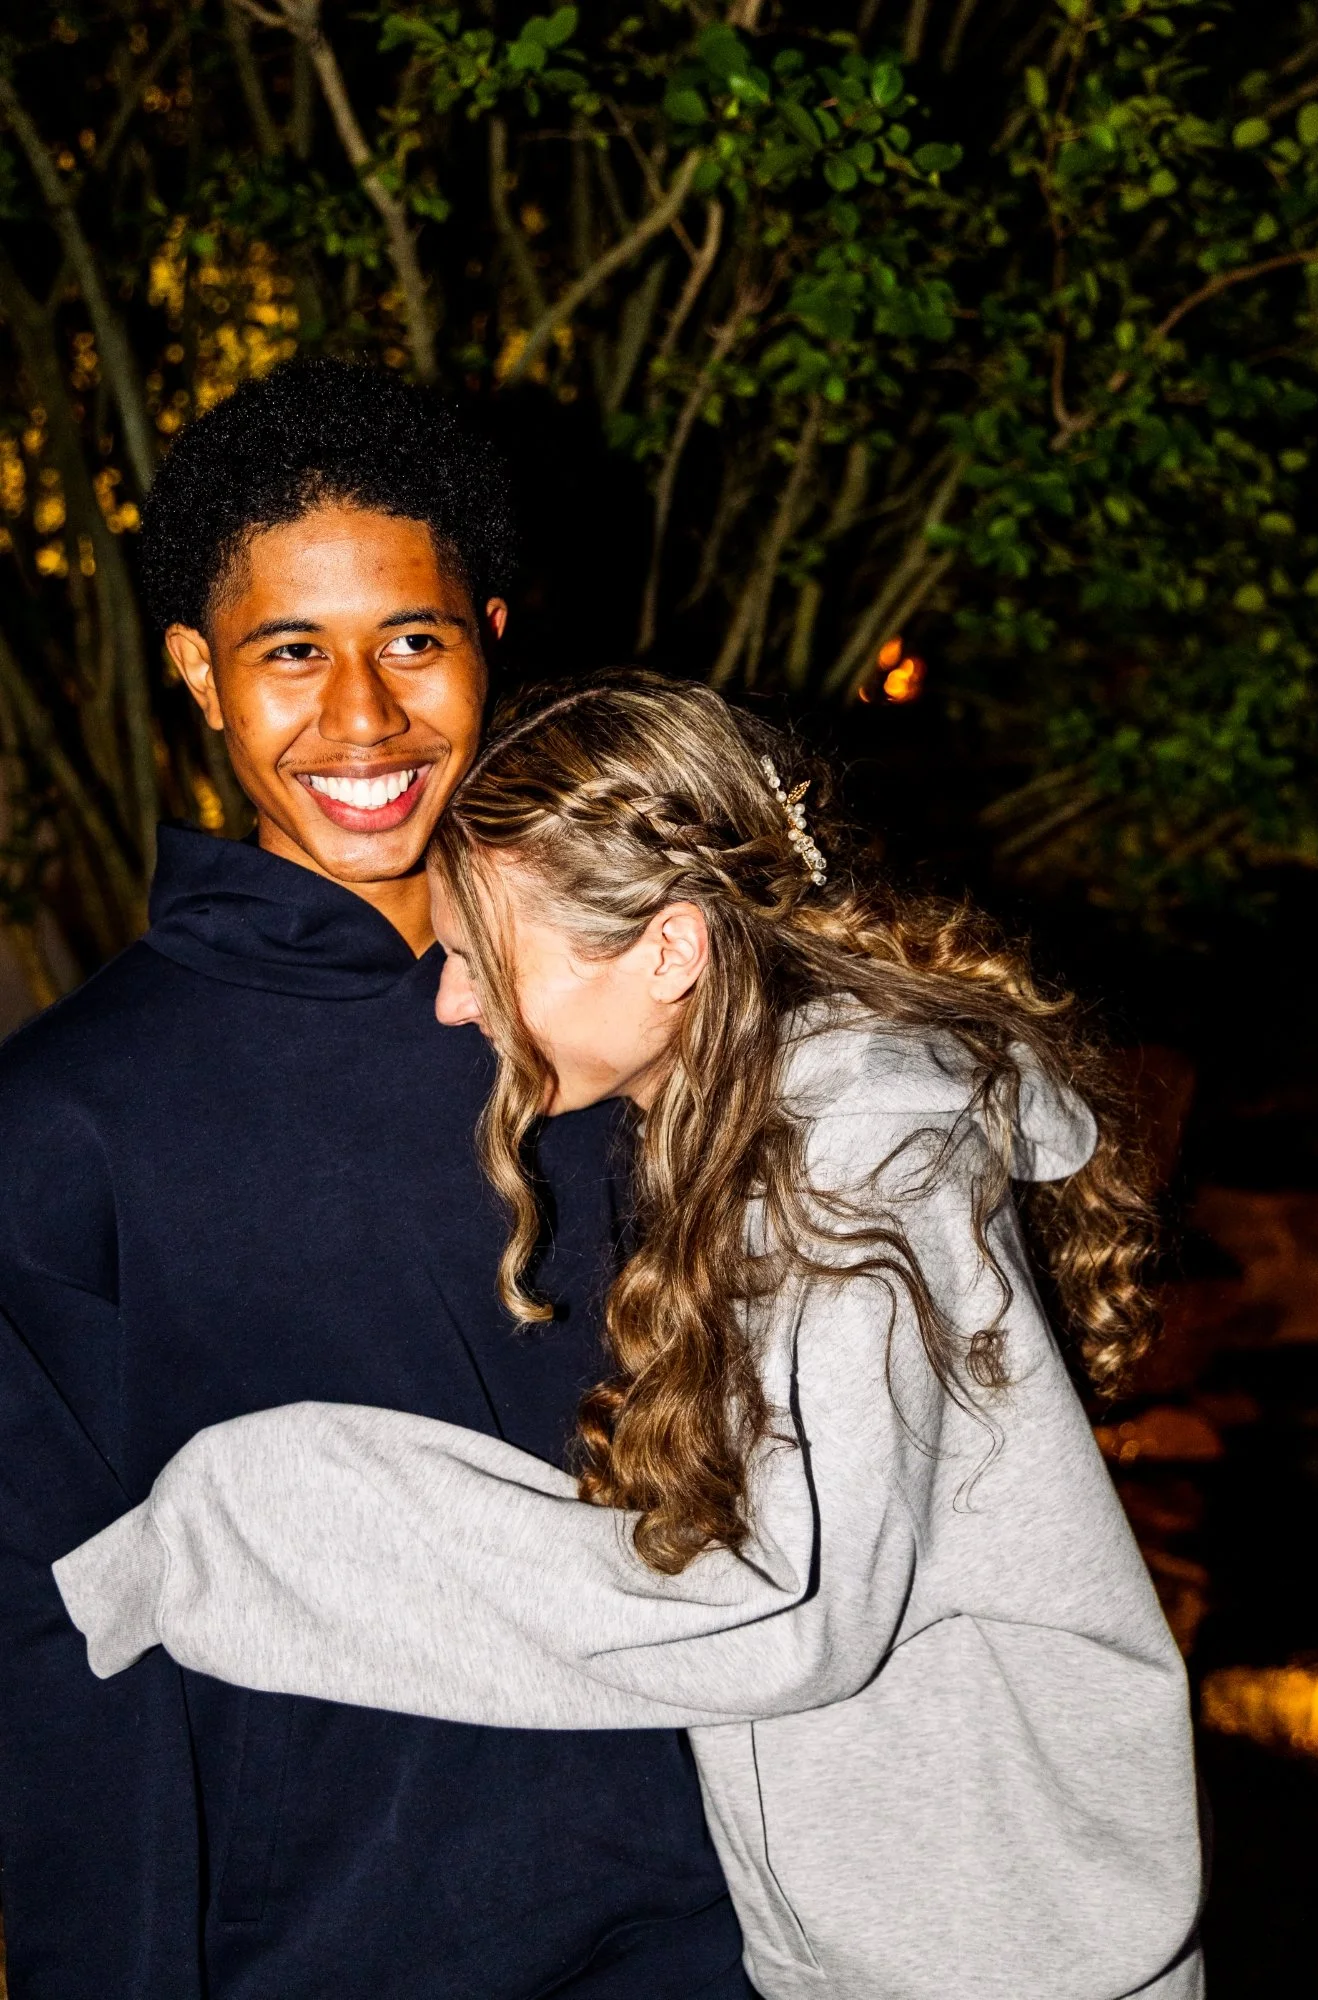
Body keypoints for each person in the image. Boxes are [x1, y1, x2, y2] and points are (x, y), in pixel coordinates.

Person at [56, 673, 1206, 1999]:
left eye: (484, 961)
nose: (448, 1002)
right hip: (923, 1937)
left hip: (1014, 1958)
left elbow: (783, 1615)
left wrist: (239, 1524)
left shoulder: (850, 1178)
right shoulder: (767, 1125)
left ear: (669, 951)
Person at [0, 374, 752, 1996]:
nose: (362, 719)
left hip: (722, 1945)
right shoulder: (67, 1121)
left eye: (413, 641)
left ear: (487, 635)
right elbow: (54, 1652)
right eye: (291, 652)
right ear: (199, 674)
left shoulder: (651, 1033)